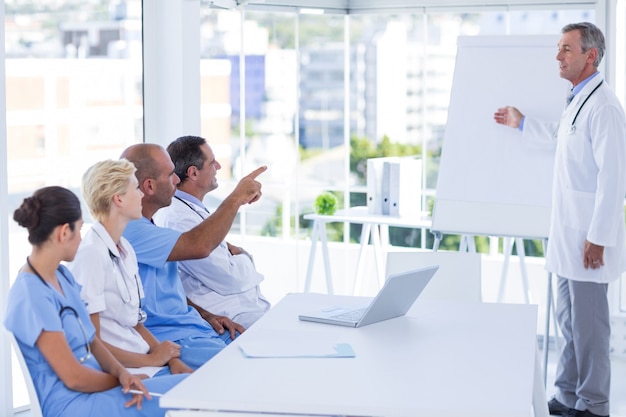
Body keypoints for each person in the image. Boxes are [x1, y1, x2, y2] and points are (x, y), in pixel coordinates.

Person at [494, 22, 626, 417]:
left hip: (588, 239)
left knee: (590, 329)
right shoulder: (578, 100)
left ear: (590, 56)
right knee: (568, 323)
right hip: (569, 234)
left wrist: (598, 237)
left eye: (566, 49)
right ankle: (568, 395)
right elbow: (560, 137)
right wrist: (522, 123)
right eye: (558, 48)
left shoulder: (605, 108)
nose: (558, 56)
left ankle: (594, 404)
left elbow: (614, 177)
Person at [4, 186, 186, 417]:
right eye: (79, 229)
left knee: (189, 386)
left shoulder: (62, 276)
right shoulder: (31, 294)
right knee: (187, 395)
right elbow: (74, 378)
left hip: (99, 387)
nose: (82, 238)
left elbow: (93, 340)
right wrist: (118, 382)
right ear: (63, 233)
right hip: (73, 404)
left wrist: (123, 373)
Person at [120, 143, 266, 367]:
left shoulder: (150, 227)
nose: (177, 180)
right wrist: (236, 198)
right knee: (253, 364)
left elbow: (164, 293)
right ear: (149, 186)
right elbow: (200, 245)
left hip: (195, 326)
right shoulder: (131, 230)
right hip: (176, 337)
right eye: (170, 175)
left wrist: (206, 315)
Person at [67, 159, 194, 375]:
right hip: (120, 370)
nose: (142, 194)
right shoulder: (91, 254)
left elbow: (136, 323)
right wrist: (153, 360)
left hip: (142, 360)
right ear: (118, 199)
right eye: (136, 188)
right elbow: (91, 342)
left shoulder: (124, 248)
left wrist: (170, 361)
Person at [153, 136, 271, 329]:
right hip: (230, 315)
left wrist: (230, 254)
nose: (218, 167)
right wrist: (244, 256)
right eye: (212, 163)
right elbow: (229, 278)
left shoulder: (189, 209)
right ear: (193, 173)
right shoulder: (178, 217)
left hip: (242, 308)